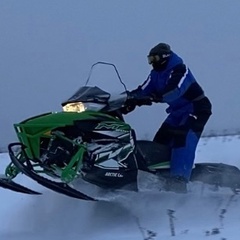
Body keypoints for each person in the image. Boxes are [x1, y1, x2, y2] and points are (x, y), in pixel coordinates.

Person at [122, 43, 212, 193]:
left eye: (154, 58)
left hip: (196, 108)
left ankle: (179, 181)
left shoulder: (179, 69)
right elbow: (144, 89)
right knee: (161, 140)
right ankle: (159, 177)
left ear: (165, 57)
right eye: (149, 59)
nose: (152, 62)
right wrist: (128, 99)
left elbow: (175, 90)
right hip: (177, 111)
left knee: (182, 138)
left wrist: (154, 96)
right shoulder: (155, 74)